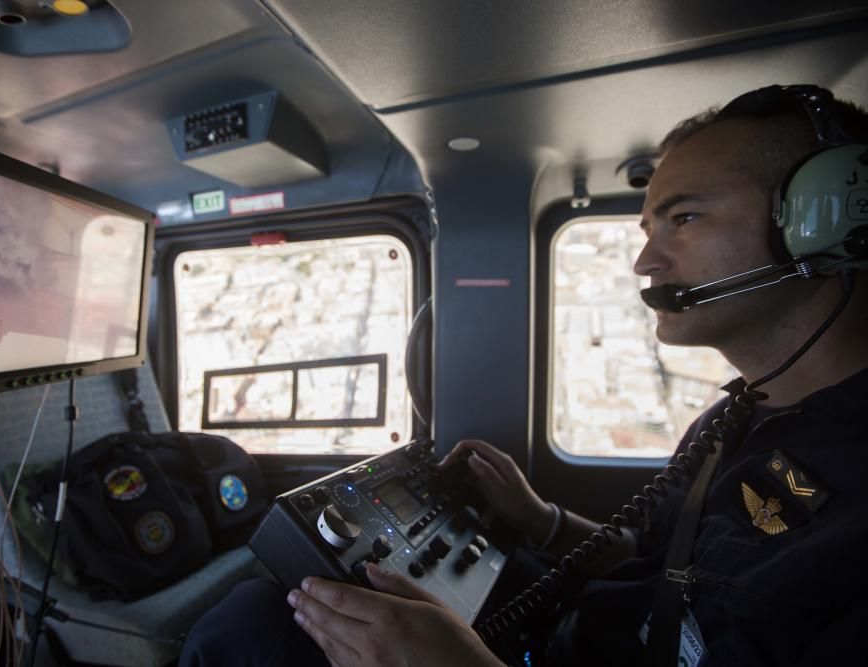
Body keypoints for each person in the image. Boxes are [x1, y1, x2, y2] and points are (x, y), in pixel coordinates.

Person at [179, 84, 868, 666]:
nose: (645, 264)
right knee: (266, 604)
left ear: (819, 220)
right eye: (647, 230)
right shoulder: (741, 415)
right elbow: (652, 563)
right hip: (581, 629)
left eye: (683, 218)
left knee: (248, 631)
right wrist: (541, 520)